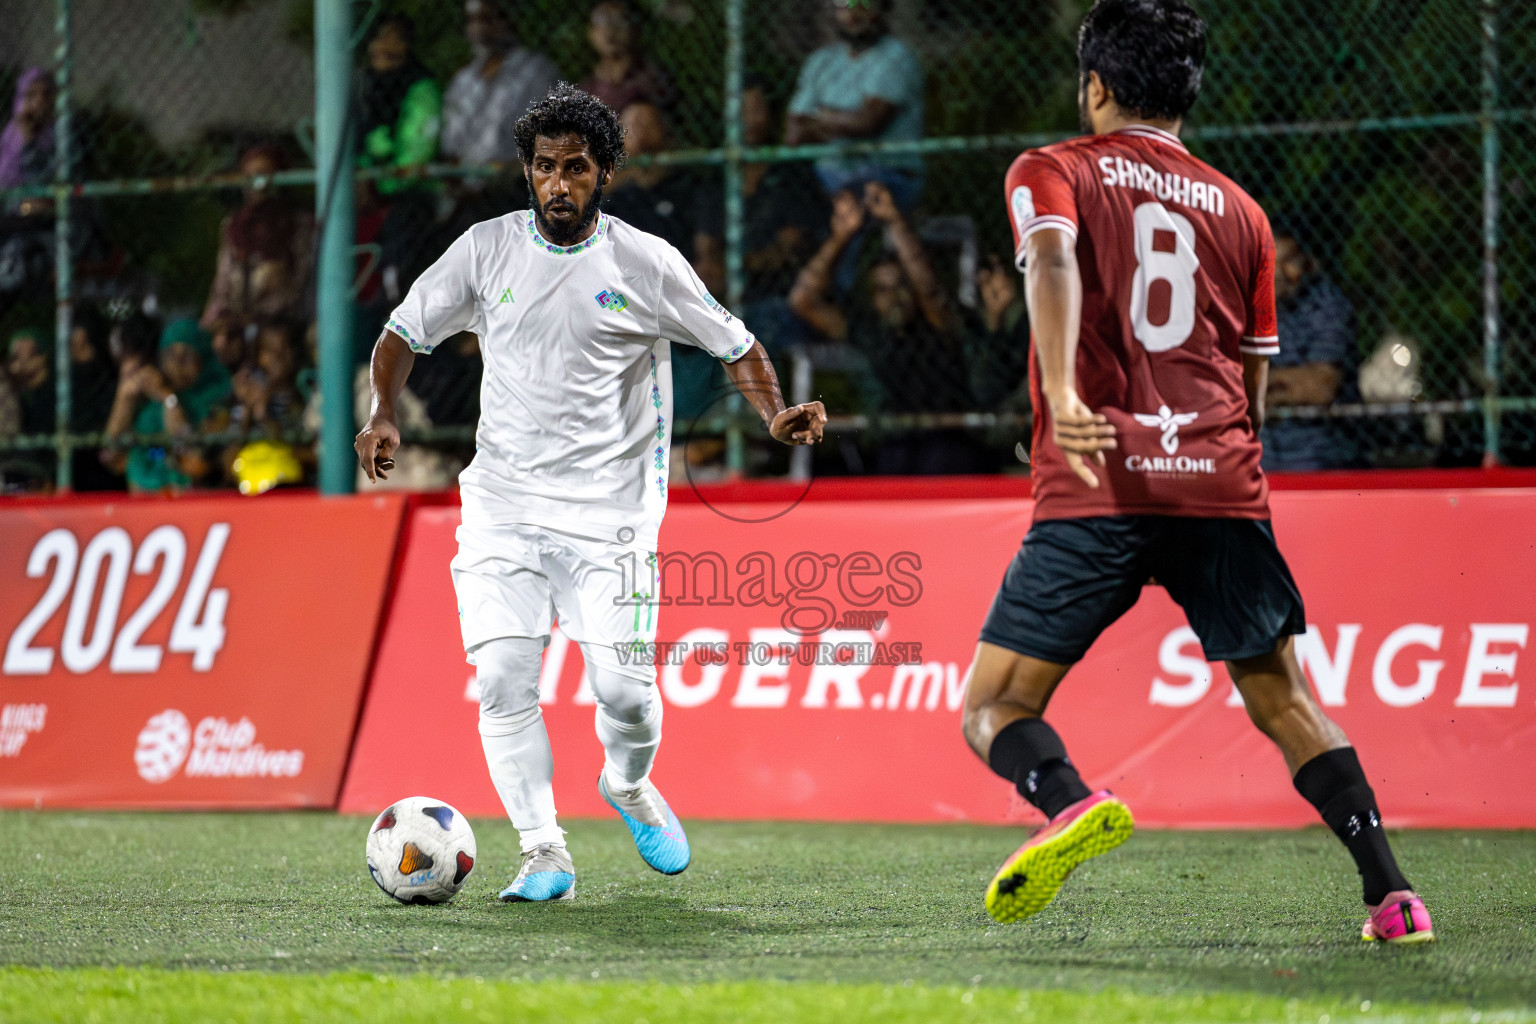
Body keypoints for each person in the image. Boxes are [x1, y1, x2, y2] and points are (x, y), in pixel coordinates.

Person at [961, 0, 1433, 943]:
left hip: (1100, 482)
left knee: (994, 704)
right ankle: (1393, 895)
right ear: (1186, 95)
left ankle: (1066, 802)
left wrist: (1062, 395)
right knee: (1285, 698)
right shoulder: (1245, 213)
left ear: (1094, 84)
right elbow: (1252, 384)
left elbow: (1051, 264)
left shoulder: (1051, 169)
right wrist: (1209, 455)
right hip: (1221, 482)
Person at [354, 84, 826, 902]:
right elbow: (401, 332)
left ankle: (629, 785)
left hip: (612, 520)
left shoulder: (645, 263)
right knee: (504, 677)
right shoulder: (484, 250)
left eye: (576, 167)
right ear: (528, 173)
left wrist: (776, 412)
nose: (559, 184)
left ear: (605, 173)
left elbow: (737, 345)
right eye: (544, 168)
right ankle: (544, 853)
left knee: (625, 696)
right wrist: (382, 410)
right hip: (502, 507)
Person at [789, 181, 984, 472]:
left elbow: (929, 290)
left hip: (948, 438)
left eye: (902, 287)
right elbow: (803, 300)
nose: (894, 298)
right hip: (893, 444)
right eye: (883, 290)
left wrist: (894, 221)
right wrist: (841, 237)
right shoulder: (870, 329)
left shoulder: (938, 322)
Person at [786, 0, 924, 209]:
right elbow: (795, 132)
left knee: (850, 199)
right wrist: (845, 120)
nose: (853, 10)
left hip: (887, 173)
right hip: (827, 174)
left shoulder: (896, 57)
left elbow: (868, 123)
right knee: (780, 189)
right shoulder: (821, 61)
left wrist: (822, 118)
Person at [1261, 225, 1360, 471]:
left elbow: (1320, 386)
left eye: (1289, 261)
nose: (1278, 273)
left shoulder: (1327, 306)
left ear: (1308, 263)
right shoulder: (1238, 304)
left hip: (1319, 455)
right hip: (1258, 454)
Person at [102, 318, 231, 495]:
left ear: (203, 359)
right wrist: (124, 400)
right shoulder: (148, 404)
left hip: (195, 507)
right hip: (143, 507)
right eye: (170, 354)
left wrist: (169, 399)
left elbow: (190, 457)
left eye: (187, 355)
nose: (177, 364)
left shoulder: (219, 399)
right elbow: (110, 456)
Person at [200, 145, 314, 330]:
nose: (256, 184)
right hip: (239, 321)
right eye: (249, 176)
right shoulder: (234, 226)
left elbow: (301, 280)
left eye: (263, 175)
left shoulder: (296, 224)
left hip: (283, 322)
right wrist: (213, 322)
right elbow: (223, 283)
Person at [440, 0, 561, 169]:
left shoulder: (537, 73)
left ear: (509, 20)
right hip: (462, 181)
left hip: (515, 184)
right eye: (472, 20)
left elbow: (548, 143)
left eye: (488, 19)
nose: (479, 29)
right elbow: (450, 146)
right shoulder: (463, 80)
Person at [66, 302, 124, 491]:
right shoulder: (62, 389)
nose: (80, 355)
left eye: (86, 346)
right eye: (75, 347)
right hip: (70, 484)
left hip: (113, 484)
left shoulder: (115, 386)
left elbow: (152, 451)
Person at [579, 1, 675, 115]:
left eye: (618, 21)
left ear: (635, 29)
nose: (609, 31)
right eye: (600, 21)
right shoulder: (587, 89)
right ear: (590, 31)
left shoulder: (653, 78)